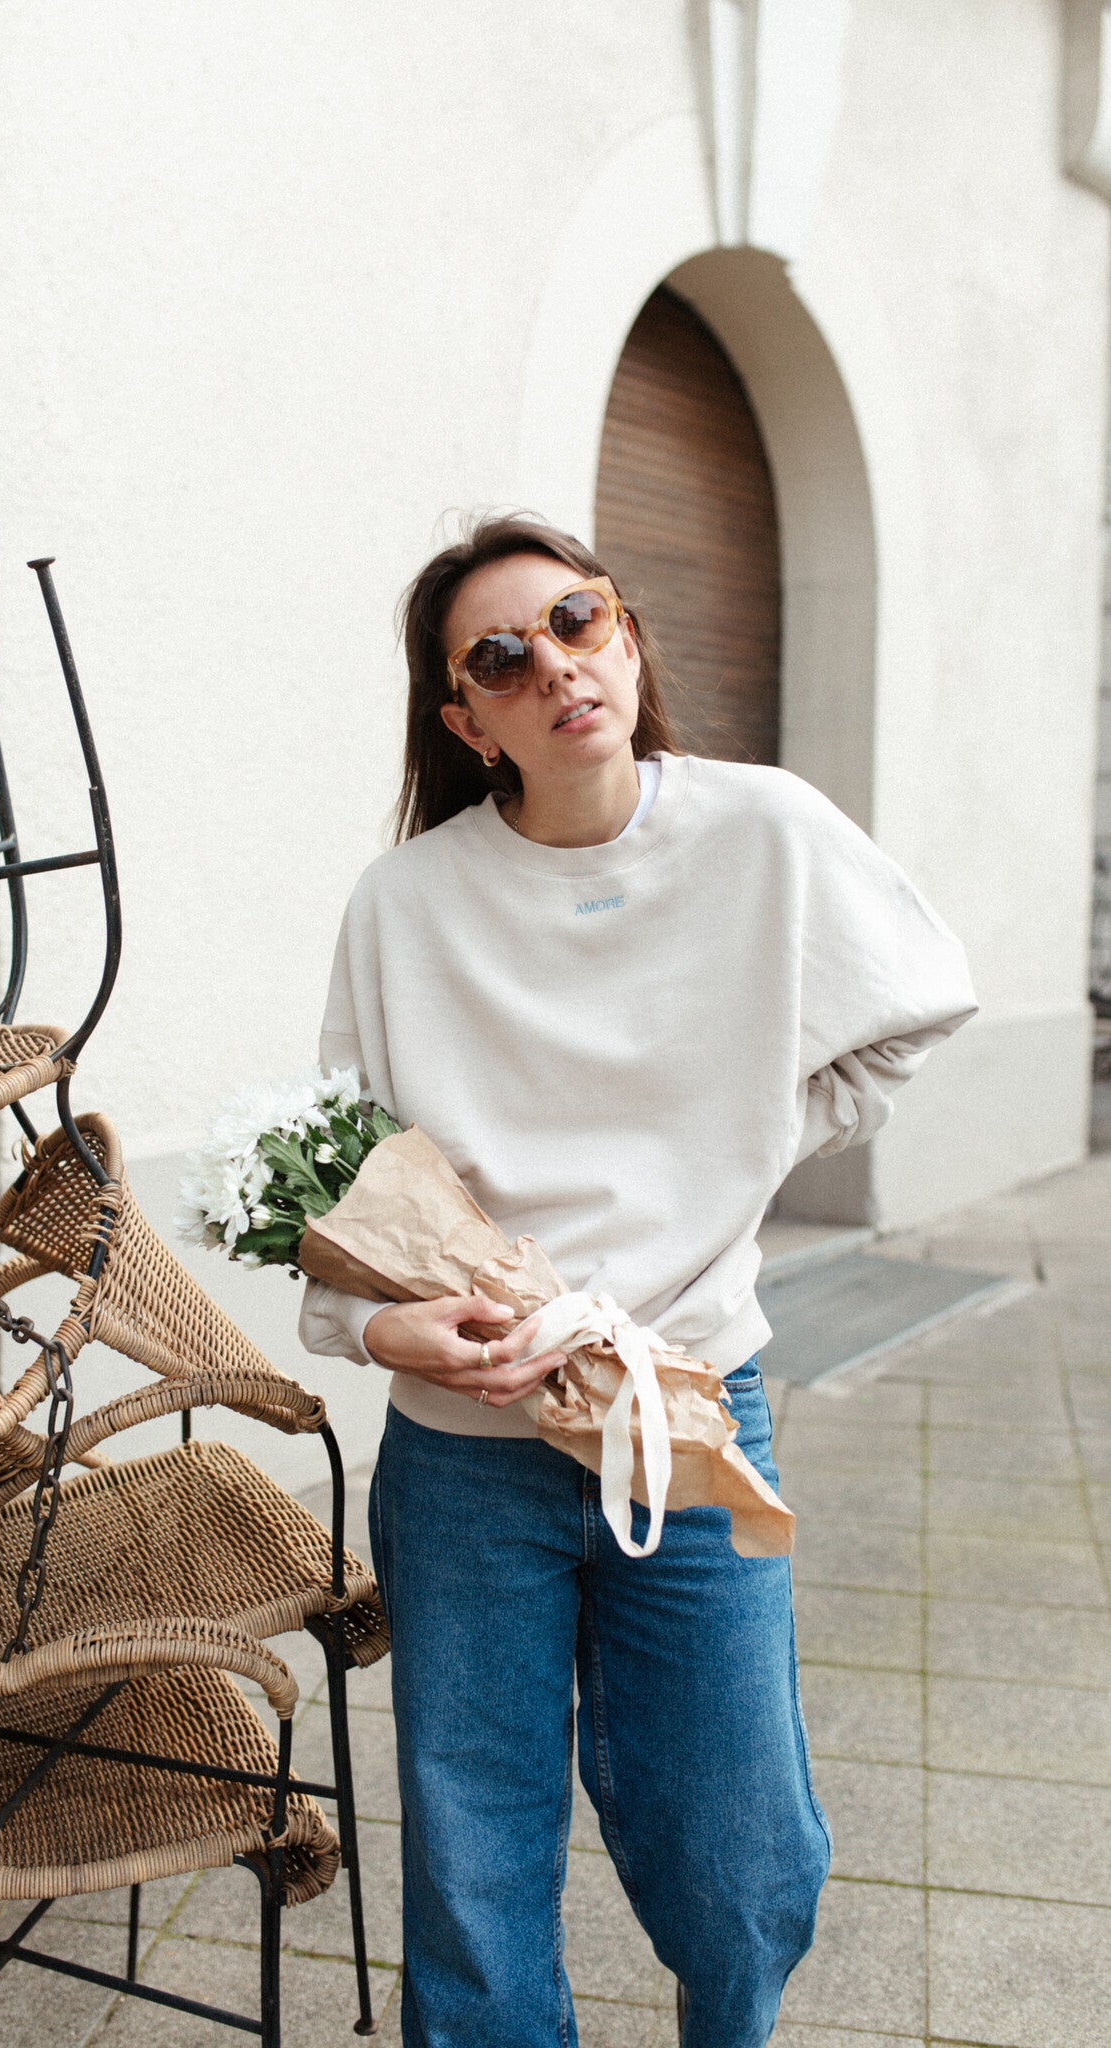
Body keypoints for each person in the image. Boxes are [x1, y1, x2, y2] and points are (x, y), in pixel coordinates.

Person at [300, 513, 976, 2048]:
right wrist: (381, 1325)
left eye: (575, 619)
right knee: (474, 1854)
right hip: (465, 1447)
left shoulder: (764, 830)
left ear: (624, 634)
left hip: (684, 1410)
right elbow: (336, 1174)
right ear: (466, 722)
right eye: (499, 657)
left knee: (741, 1849)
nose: (553, 665)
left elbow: (918, 1006)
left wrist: (755, 1139)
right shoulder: (404, 904)